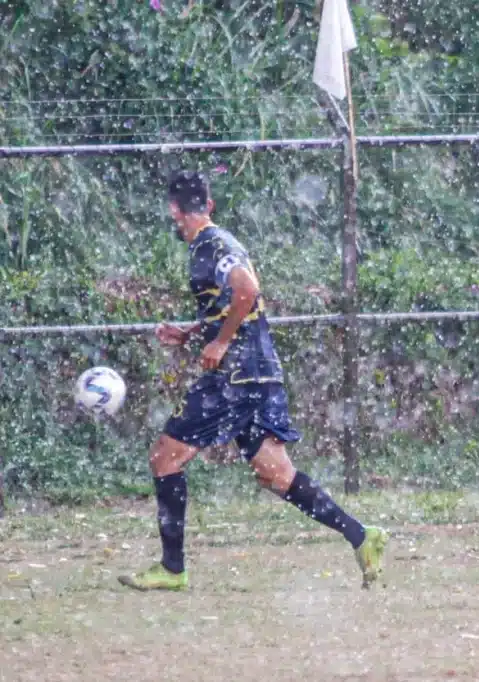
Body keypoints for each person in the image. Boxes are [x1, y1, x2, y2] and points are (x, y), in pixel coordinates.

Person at [118, 171, 388, 591]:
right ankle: (362, 536)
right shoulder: (217, 243)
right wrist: (194, 332)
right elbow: (235, 302)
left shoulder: (212, 244)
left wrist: (221, 343)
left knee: (164, 458)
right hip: (259, 372)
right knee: (276, 474)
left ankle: (172, 569)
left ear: (175, 210)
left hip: (236, 376)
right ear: (207, 204)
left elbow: (247, 290)